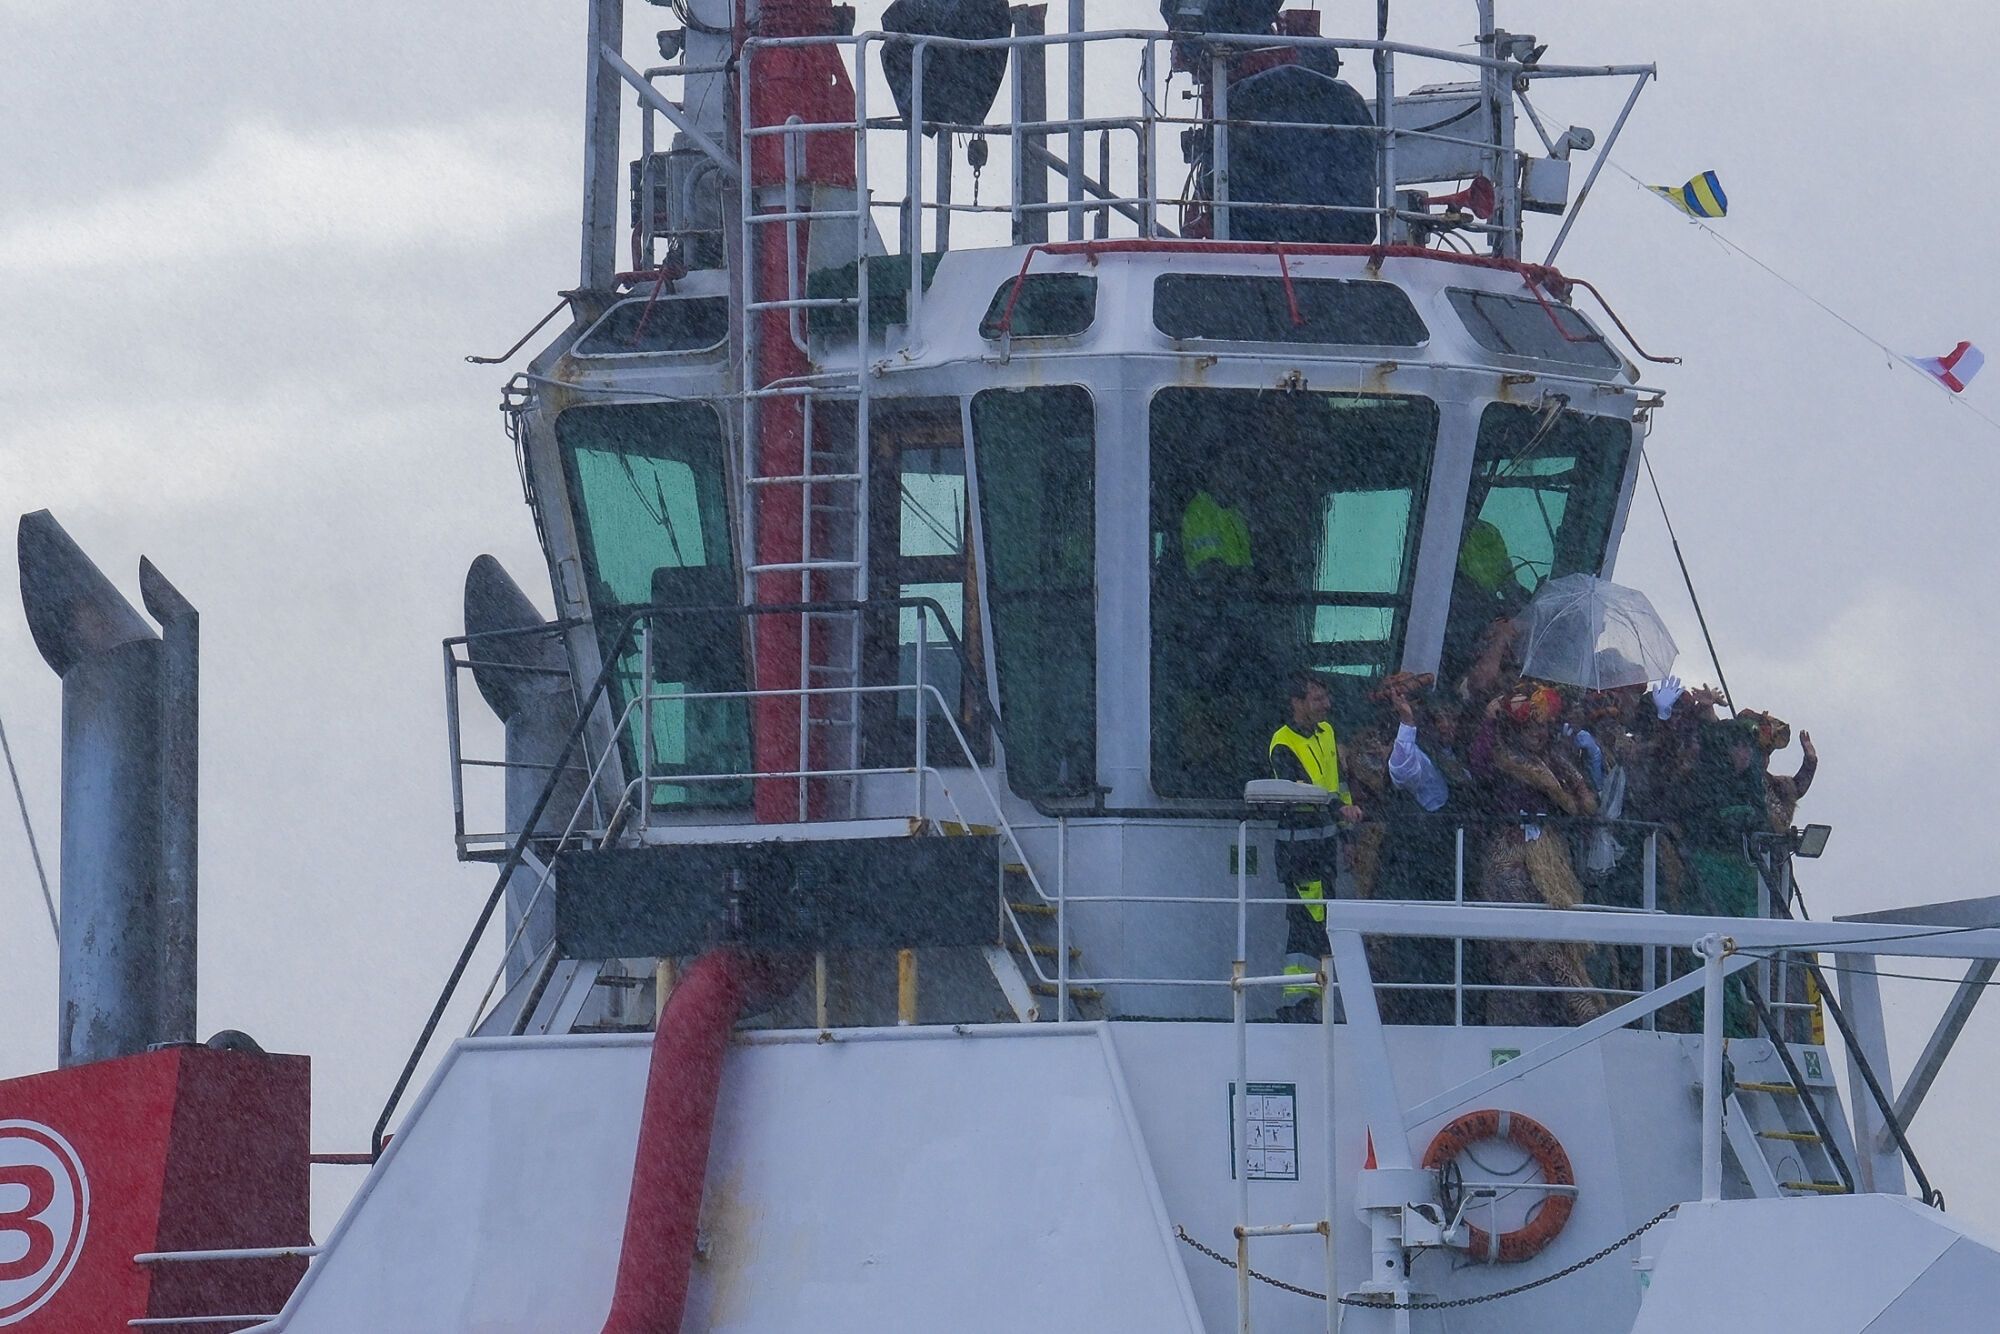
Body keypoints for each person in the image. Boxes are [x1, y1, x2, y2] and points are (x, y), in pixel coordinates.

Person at [1270, 671, 1364, 1019]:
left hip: (1323, 849)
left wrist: (1348, 836)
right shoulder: (1282, 743)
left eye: (1326, 697)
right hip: (1298, 851)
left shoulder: (1327, 733)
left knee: (1317, 922)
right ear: (1297, 703)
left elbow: (1338, 787)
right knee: (1309, 923)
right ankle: (1297, 1004)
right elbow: (1305, 791)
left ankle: (1304, 1002)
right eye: (1318, 699)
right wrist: (1340, 810)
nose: (1327, 704)